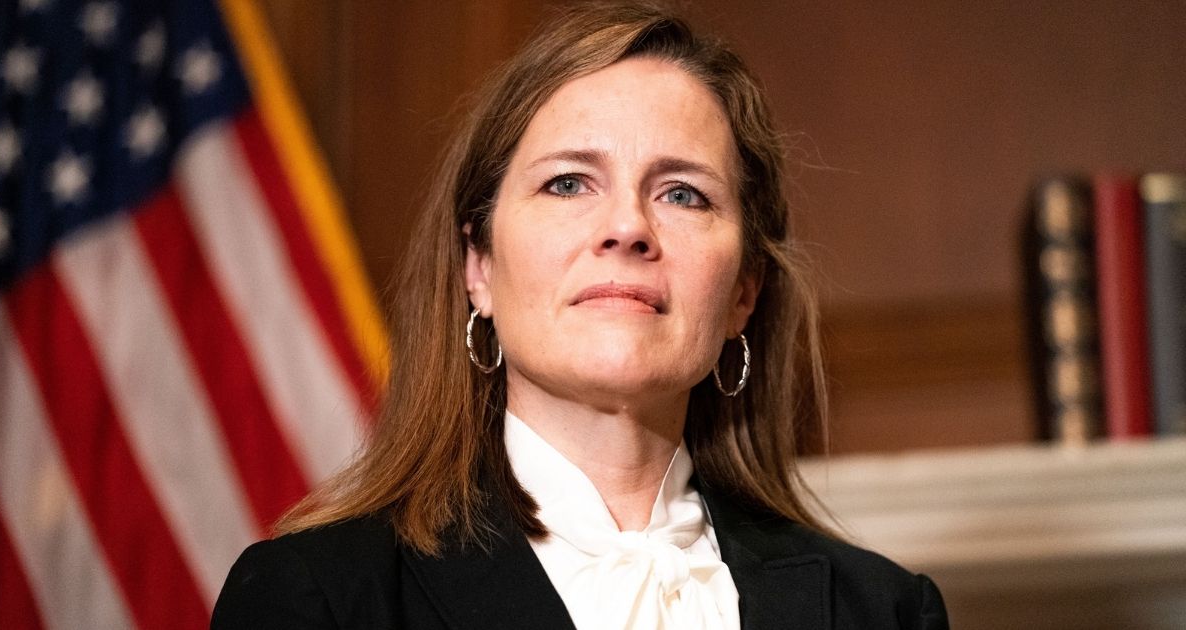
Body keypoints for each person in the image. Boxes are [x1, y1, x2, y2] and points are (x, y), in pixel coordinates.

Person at [211, 2, 949, 628]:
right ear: (480, 268)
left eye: (683, 194)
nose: (627, 226)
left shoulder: (884, 613)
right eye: (568, 183)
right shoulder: (319, 599)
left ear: (744, 292)